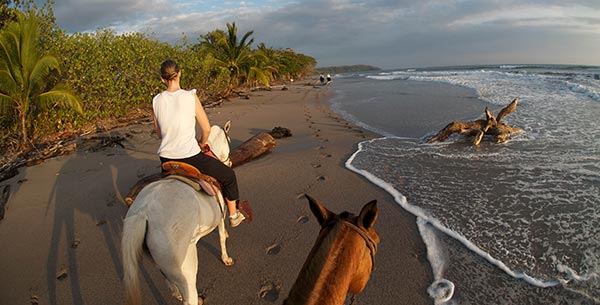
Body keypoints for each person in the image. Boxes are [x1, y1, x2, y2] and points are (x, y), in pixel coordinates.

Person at [152, 59, 251, 227]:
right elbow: (206, 129)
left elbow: (160, 132)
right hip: (190, 157)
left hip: (165, 159)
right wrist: (201, 143)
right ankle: (233, 216)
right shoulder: (190, 96)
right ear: (180, 73)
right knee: (229, 176)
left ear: (162, 79)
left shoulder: (156, 100)